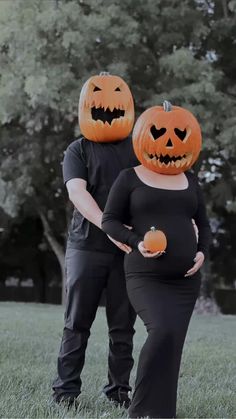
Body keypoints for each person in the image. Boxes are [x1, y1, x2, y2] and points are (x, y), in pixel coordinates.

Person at [102, 102, 211, 418]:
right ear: (143, 136)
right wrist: (136, 242)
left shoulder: (190, 179)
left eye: (179, 134)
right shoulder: (129, 177)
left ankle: (163, 412)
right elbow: (109, 220)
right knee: (161, 330)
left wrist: (202, 251)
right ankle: (139, 410)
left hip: (186, 280)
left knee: (172, 343)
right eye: (161, 134)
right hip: (145, 275)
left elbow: (203, 223)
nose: (170, 142)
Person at [52, 72, 138, 408]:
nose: (108, 100)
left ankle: (119, 394)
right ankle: (65, 394)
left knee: (122, 328)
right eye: (100, 94)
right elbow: (77, 193)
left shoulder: (138, 149)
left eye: (116, 92)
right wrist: (112, 228)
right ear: (86, 104)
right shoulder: (78, 149)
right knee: (77, 324)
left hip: (128, 250)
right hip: (86, 247)